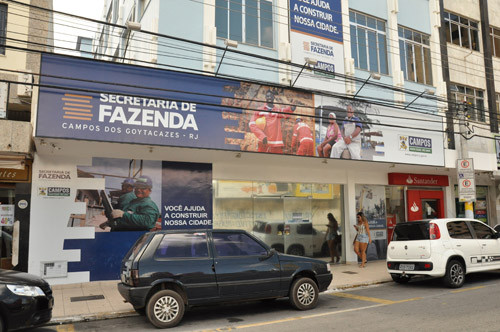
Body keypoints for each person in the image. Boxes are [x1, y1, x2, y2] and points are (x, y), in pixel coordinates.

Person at [249, 89, 296, 153]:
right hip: (264, 143)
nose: (269, 97)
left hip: (276, 144)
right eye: (267, 96)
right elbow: (252, 124)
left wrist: (291, 109)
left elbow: (285, 111)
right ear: (265, 98)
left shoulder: (277, 111)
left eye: (271, 96)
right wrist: (262, 136)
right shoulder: (259, 110)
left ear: (274, 97)